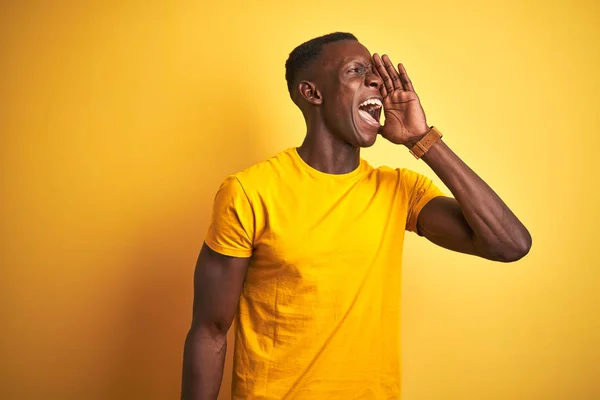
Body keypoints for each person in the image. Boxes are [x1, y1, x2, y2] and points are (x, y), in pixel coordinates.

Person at [181, 32, 531, 400]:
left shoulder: (400, 191)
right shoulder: (249, 192)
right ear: (312, 93)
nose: (377, 81)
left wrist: (421, 139)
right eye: (356, 71)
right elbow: (210, 330)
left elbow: (509, 244)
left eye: (375, 74)